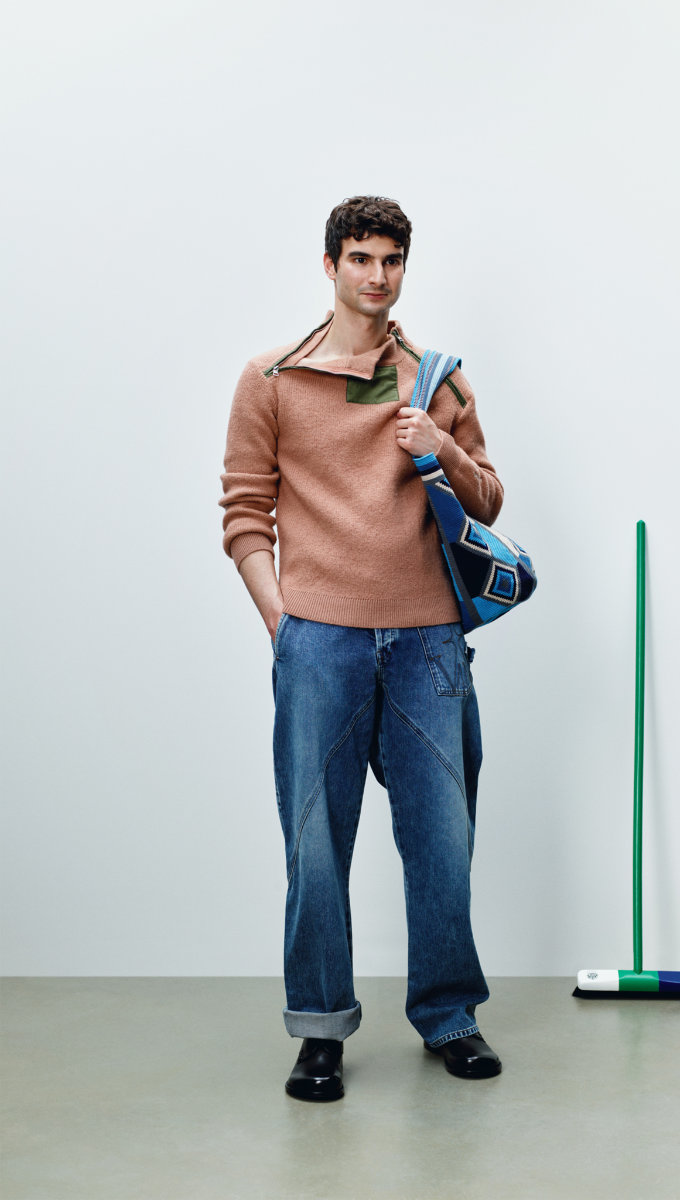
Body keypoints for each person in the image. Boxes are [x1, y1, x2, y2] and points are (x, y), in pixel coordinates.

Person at [219, 196, 504, 1102]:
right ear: (331, 265)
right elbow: (244, 513)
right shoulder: (272, 379)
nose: (377, 276)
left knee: (443, 840)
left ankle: (449, 1015)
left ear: (405, 268)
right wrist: (283, 621)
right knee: (314, 841)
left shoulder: (437, 380)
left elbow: (489, 501)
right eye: (360, 258)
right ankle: (319, 1027)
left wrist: (440, 447)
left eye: (392, 260)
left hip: (428, 644)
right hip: (319, 644)